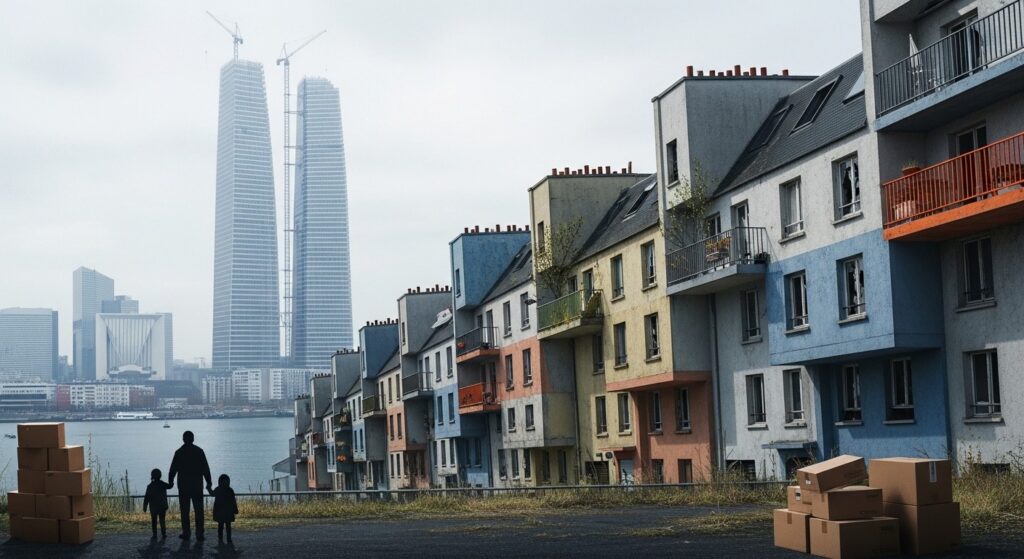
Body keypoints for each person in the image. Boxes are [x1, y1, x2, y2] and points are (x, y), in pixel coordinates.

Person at [168, 430, 212, 540]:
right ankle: (199, 533)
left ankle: (186, 532)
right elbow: (205, 469)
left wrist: (171, 481)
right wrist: (209, 482)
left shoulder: (179, 452)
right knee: (199, 510)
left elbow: (173, 468)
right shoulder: (199, 451)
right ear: (193, 439)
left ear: (183, 439)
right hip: (197, 485)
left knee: (184, 510)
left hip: (183, 486)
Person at [142, 468, 172, 539]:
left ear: (152, 476)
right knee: (162, 520)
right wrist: (171, 479)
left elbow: (146, 497)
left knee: (154, 521)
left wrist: (145, 506)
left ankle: (155, 534)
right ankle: (163, 533)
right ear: (160, 475)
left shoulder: (149, 486)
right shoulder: (162, 484)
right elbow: (170, 486)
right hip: (162, 506)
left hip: (153, 507)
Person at [209, 474, 239, 543]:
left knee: (220, 526)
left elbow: (212, 494)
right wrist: (235, 509)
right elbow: (233, 501)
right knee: (228, 526)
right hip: (228, 512)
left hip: (220, 512)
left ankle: (220, 538)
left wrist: (208, 488)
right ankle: (228, 539)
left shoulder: (218, 489)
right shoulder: (230, 490)